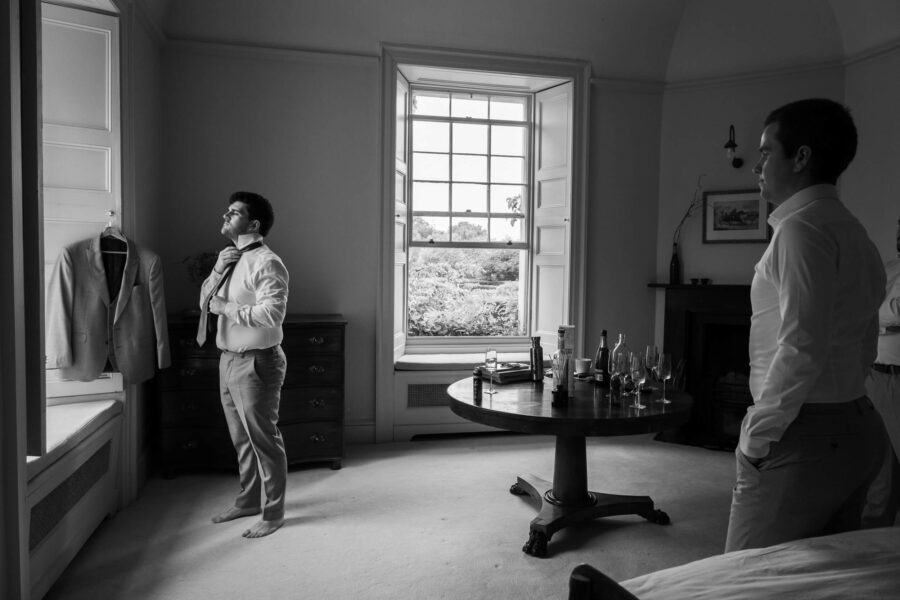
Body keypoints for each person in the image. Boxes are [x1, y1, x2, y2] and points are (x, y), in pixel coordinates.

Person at [724, 98, 887, 552]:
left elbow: (801, 346)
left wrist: (758, 433)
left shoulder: (801, 231)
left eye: (765, 152)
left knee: (744, 577)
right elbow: (865, 336)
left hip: (805, 432)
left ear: (800, 157)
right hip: (856, 426)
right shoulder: (854, 232)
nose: (757, 166)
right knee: (817, 577)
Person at [198, 191, 290, 538]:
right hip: (228, 360)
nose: (226, 215)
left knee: (264, 439)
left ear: (252, 224)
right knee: (241, 439)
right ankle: (248, 500)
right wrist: (218, 269)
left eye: (234, 212)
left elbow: (272, 314)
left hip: (257, 363)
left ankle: (273, 512)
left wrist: (226, 309)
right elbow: (206, 300)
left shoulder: (267, 262)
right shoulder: (229, 257)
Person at [862, 219, 900, 527]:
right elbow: (863, 310)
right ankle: (873, 541)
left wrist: (881, 319)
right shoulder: (888, 269)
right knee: (880, 473)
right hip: (875, 375)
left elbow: (879, 314)